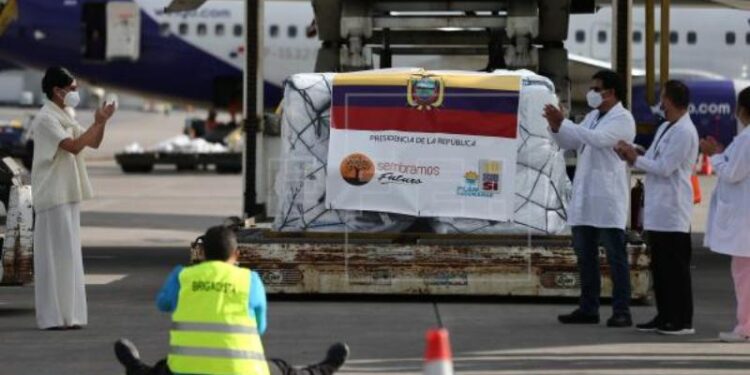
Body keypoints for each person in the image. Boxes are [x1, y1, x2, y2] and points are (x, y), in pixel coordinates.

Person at [113, 226, 350, 374]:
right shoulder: (249, 280)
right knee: (283, 369)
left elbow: (162, 304)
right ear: (237, 255)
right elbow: (259, 328)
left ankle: (133, 365)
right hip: (242, 371)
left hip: (187, 370)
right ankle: (325, 368)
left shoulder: (183, 275)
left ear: (202, 254)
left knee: (158, 370)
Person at [543, 70, 636, 327]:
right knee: (585, 256)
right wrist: (556, 126)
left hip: (607, 199)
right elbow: (570, 141)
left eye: (596, 88)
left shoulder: (623, 120)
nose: (592, 93)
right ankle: (589, 308)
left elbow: (597, 140)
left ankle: (621, 310)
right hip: (586, 198)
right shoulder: (594, 116)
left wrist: (566, 122)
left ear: (611, 92)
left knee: (615, 257)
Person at [32, 66, 116, 330]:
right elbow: (73, 146)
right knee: (54, 257)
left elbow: (93, 142)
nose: (75, 93)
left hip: (67, 192)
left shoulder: (65, 114)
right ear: (57, 91)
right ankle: (53, 317)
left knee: (68, 256)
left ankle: (70, 316)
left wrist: (101, 122)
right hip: (52, 194)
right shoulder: (46, 118)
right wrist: (97, 122)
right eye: (72, 89)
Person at [615, 80, 699, 335]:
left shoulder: (685, 132)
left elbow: (665, 167)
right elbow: (651, 157)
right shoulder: (666, 126)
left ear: (671, 101)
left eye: (662, 98)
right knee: (660, 268)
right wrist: (634, 151)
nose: (660, 103)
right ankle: (664, 315)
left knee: (676, 270)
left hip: (673, 211)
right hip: (658, 210)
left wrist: (635, 158)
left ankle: (682, 320)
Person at [700, 86, 750, 343]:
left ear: (742, 110)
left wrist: (714, 156)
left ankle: (745, 327)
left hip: (745, 219)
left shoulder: (748, 137)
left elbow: (732, 173)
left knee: (743, 276)